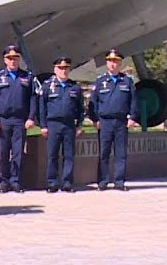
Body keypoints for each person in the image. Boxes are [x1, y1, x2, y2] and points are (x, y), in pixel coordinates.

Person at [0, 44, 37, 192]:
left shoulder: (27, 77)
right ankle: (4, 181)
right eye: (9, 58)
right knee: (3, 152)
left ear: (19, 59)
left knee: (18, 153)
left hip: (20, 120)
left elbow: (33, 99)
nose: (12, 61)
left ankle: (15, 181)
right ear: (5, 60)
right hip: (3, 120)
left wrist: (31, 118)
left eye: (15, 58)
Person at [87, 48, 138, 191]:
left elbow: (133, 101)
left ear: (120, 63)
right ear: (107, 63)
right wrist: (95, 119)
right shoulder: (101, 81)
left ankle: (119, 181)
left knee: (121, 153)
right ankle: (102, 182)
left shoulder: (127, 81)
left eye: (115, 61)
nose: (113, 64)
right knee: (104, 152)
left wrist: (133, 117)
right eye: (110, 61)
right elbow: (93, 102)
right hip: (105, 122)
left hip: (121, 121)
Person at [38, 56, 84, 193]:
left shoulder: (74, 87)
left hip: (69, 124)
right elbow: (42, 107)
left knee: (69, 155)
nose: (63, 71)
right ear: (55, 69)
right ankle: (52, 182)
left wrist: (79, 125)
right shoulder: (48, 86)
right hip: (53, 124)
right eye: (60, 68)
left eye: (66, 68)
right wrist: (43, 125)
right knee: (52, 155)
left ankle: (67, 182)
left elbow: (81, 108)